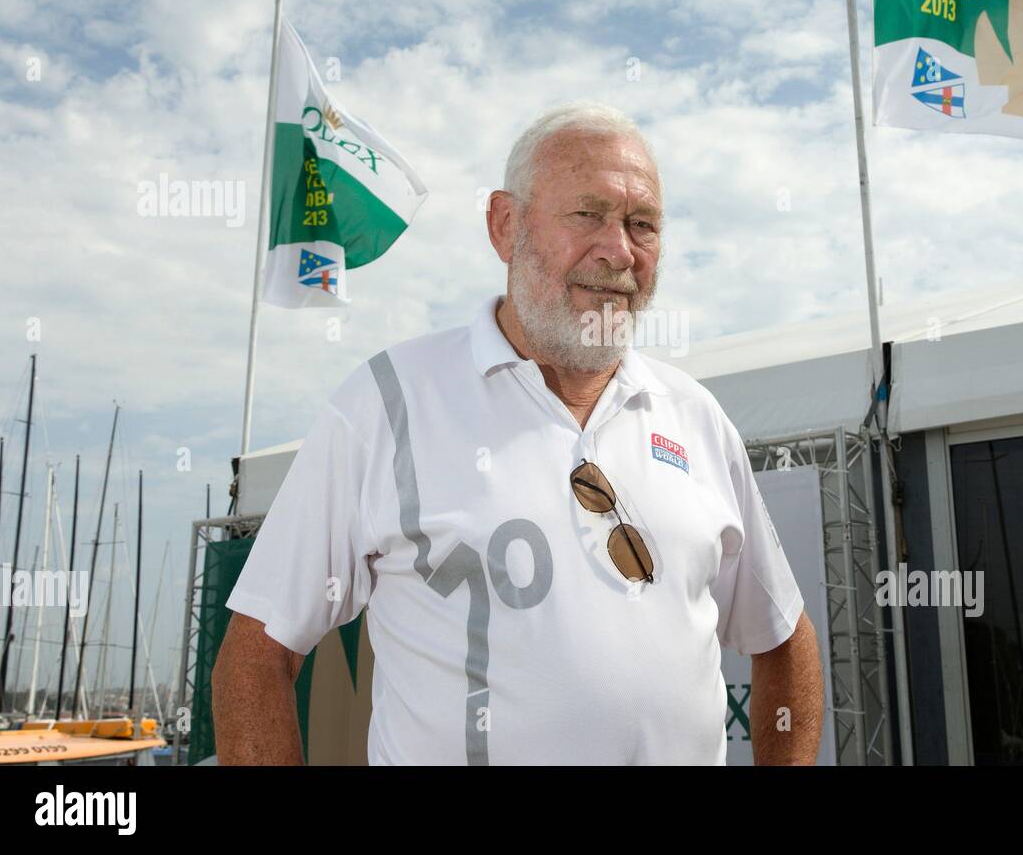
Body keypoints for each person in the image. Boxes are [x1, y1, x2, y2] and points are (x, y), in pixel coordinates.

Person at [212, 101, 824, 765]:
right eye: (588, 214)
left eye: (642, 224)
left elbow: (784, 639)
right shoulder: (386, 404)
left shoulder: (696, 416)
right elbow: (254, 663)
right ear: (505, 225)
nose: (618, 250)